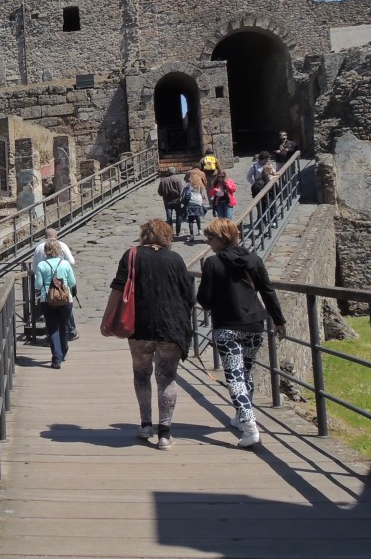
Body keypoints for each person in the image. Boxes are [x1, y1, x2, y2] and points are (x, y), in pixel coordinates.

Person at [104, 219, 194, 449]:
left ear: (145, 234)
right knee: (167, 377)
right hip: (170, 327)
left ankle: (145, 424)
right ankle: (164, 434)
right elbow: (189, 298)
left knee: (141, 373)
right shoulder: (176, 259)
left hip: (140, 325)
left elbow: (118, 288)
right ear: (167, 237)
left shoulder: (132, 255)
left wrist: (108, 319)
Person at [197, 218, 287, 448]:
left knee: (235, 377)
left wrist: (210, 287)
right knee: (245, 373)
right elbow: (267, 291)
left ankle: (249, 426)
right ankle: (240, 417)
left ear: (222, 238)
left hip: (227, 325)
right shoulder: (254, 260)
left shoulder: (212, 264)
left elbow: (204, 300)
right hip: (254, 324)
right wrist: (278, 320)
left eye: (211, 238)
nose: (209, 243)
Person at [34, 239, 77, 369]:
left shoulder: (41, 265)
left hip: (48, 300)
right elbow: (72, 282)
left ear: (45, 251)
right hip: (65, 300)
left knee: (52, 328)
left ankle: (56, 358)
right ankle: (63, 351)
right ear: (59, 250)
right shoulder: (65, 264)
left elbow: (38, 285)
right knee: (63, 326)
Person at [32, 228, 78, 340]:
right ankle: (70, 331)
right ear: (56, 236)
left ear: (45, 236)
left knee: (49, 312)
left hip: (45, 289)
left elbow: (34, 269)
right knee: (64, 301)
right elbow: (71, 262)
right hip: (62, 285)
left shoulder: (38, 248)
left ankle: (52, 336)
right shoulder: (62, 245)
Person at [157, 166, 186, 236]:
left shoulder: (163, 181)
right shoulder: (177, 180)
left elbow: (160, 192)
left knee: (169, 217)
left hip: (167, 201)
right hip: (177, 201)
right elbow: (181, 191)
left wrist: (165, 194)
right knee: (179, 215)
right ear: (174, 172)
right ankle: (178, 231)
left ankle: (170, 232)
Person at [181, 172, 209, 242]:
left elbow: (183, 193)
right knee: (197, 216)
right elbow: (203, 195)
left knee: (190, 219)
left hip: (190, 203)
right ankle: (199, 230)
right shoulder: (200, 185)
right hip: (198, 202)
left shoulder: (188, 185)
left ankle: (191, 235)